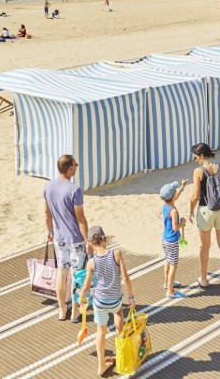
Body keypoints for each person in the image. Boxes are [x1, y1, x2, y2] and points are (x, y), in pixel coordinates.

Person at [77, 225, 134, 376]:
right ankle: (121, 353)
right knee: (118, 315)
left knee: (100, 331)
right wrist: (131, 297)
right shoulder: (116, 254)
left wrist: (82, 299)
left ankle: (101, 365)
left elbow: (86, 285)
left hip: (100, 302)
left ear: (90, 244)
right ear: (105, 238)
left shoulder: (91, 263)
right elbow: (126, 278)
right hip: (115, 299)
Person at [44, 155, 89, 322]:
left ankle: (62, 310)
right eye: (75, 165)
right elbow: (81, 219)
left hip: (59, 238)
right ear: (70, 168)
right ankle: (75, 312)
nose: (76, 167)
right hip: (76, 239)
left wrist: (50, 231)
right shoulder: (74, 190)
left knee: (62, 273)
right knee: (77, 275)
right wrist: (88, 240)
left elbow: (46, 214)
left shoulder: (48, 186)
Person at [189, 143, 220, 288]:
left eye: (196, 157)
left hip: (206, 210)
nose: (196, 160)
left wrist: (190, 210)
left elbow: (195, 195)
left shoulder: (198, 171)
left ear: (202, 156)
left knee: (205, 247)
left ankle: (203, 279)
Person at [160, 180, 188, 298]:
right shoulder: (174, 211)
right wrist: (182, 222)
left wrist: (182, 187)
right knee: (173, 265)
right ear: (172, 196)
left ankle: (167, 283)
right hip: (172, 242)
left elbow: (175, 197)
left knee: (168, 260)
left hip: (165, 240)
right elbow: (175, 227)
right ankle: (170, 291)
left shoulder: (166, 205)